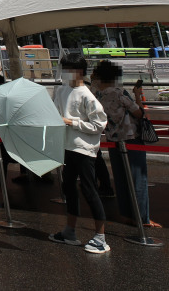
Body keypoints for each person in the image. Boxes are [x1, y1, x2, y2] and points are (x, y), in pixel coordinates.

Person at [50, 52, 110, 254]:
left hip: (84, 149)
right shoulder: (61, 90)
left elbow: (99, 125)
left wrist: (71, 122)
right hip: (66, 147)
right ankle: (69, 231)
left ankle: (101, 237)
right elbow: (55, 113)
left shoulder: (87, 95)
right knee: (68, 189)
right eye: (64, 69)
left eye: (70, 70)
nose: (66, 73)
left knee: (89, 190)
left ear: (81, 72)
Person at [92, 60, 157, 228]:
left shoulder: (97, 95)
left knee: (121, 178)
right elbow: (139, 113)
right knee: (138, 179)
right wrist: (137, 95)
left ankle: (127, 214)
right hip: (131, 138)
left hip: (113, 139)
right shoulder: (120, 93)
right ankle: (142, 217)